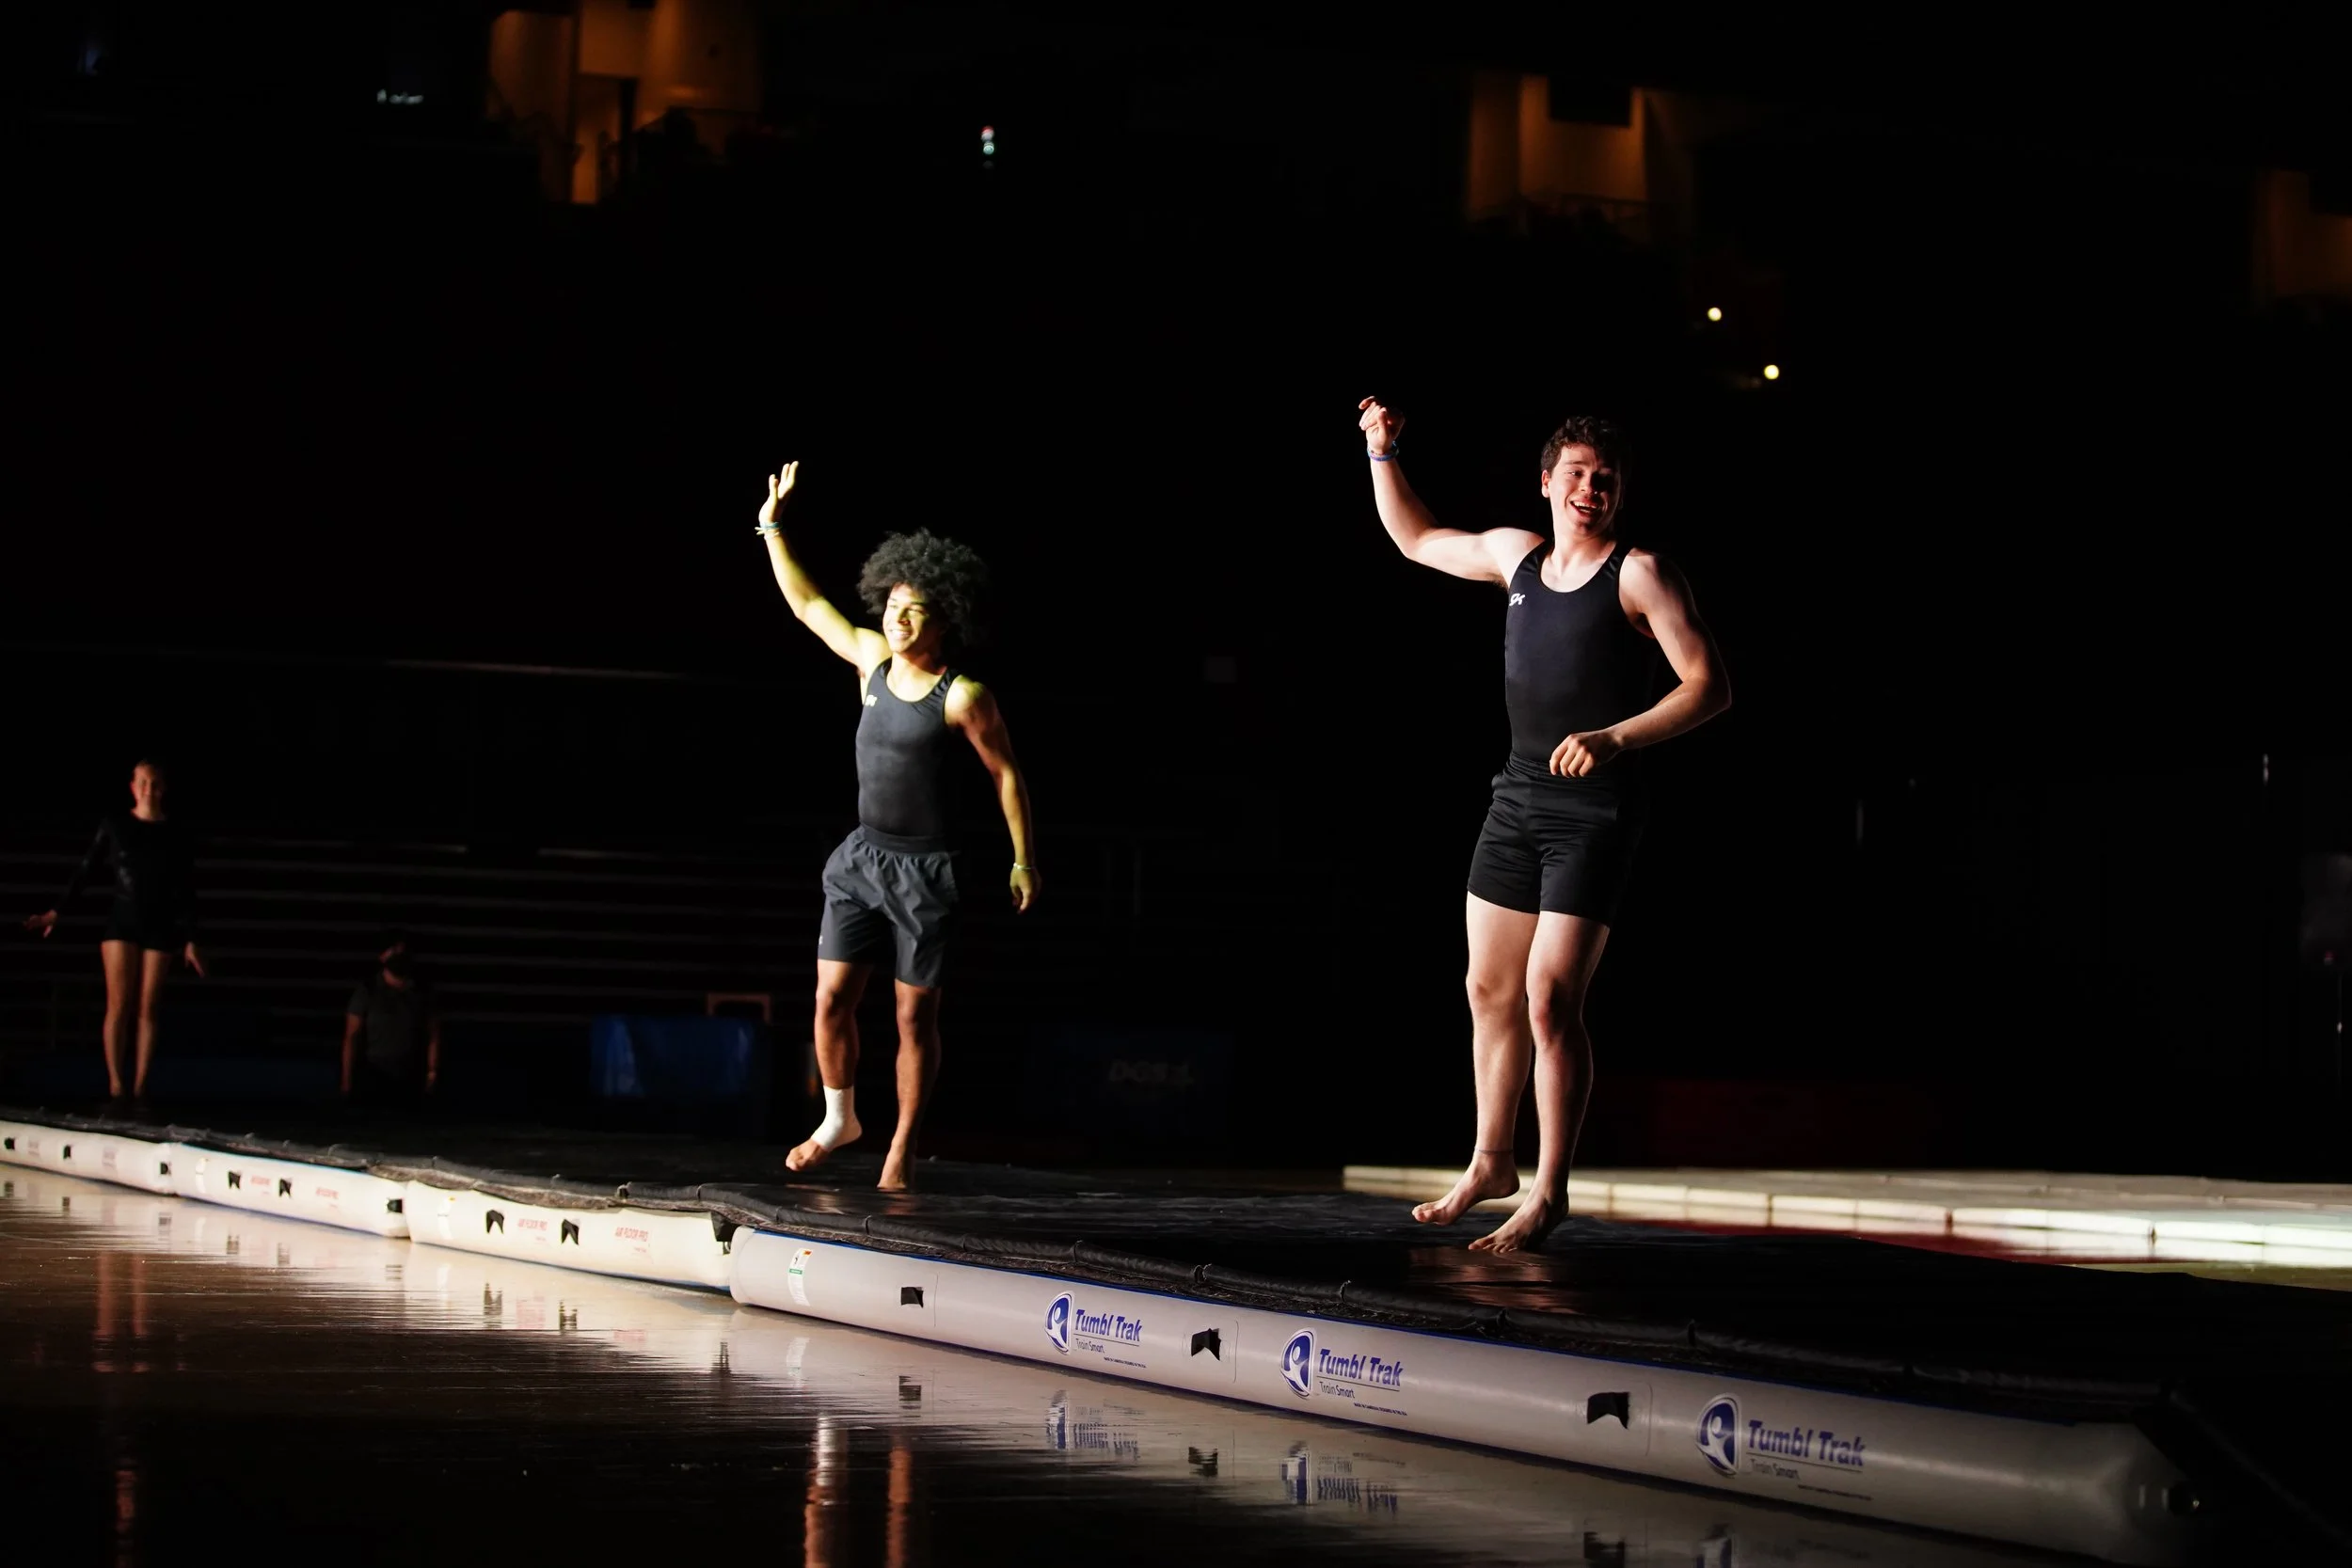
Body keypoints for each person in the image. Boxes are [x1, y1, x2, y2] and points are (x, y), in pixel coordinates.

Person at [1359, 399, 1732, 1253]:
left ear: (1620, 493)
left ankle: (1550, 1188)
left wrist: (1616, 737)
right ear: (1546, 483)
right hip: (1516, 799)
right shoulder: (1515, 557)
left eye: (1605, 479)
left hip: (1595, 812)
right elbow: (1416, 539)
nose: (1590, 489)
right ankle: (1491, 1162)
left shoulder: (1641, 574)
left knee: (1550, 998)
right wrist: (1383, 453)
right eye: (1576, 474)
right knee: (1487, 990)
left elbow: (1710, 685)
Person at [753, 459, 1039, 1190]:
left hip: (926, 872)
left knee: (913, 1018)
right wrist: (772, 526)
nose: (897, 619)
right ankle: (838, 1118)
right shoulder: (871, 661)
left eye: (915, 612)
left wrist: (1022, 859)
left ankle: (902, 1143)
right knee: (830, 1000)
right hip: (861, 860)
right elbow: (808, 605)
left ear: (945, 621)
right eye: (893, 605)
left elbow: (1007, 774)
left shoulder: (962, 696)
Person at [23, 758, 207, 1103]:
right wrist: (56, 912)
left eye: (155, 783)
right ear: (133, 787)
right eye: (143, 782)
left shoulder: (175, 833)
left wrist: (192, 938)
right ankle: (116, 1084)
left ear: (163, 789)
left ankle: (140, 1086)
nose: (149, 789)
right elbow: (86, 870)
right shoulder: (116, 825)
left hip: (160, 924)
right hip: (123, 922)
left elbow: (186, 888)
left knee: (148, 1008)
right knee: (119, 1005)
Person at [342, 948, 440, 1103]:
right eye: (394, 951)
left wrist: (432, 1073)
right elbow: (351, 1038)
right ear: (382, 956)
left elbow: (433, 1035)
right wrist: (346, 1082)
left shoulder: (422, 992)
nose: (399, 954)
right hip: (374, 1075)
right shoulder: (367, 991)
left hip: (411, 1075)